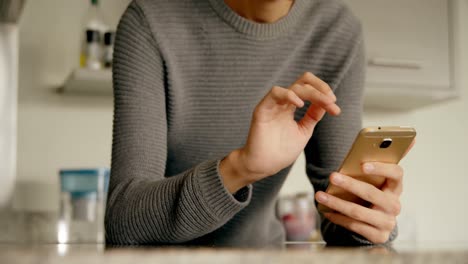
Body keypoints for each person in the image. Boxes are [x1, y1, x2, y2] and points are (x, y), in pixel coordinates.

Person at [105, 0, 407, 247]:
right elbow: (124, 220)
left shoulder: (337, 31)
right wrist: (241, 168)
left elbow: (339, 217)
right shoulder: (150, 20)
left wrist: (371, 218)